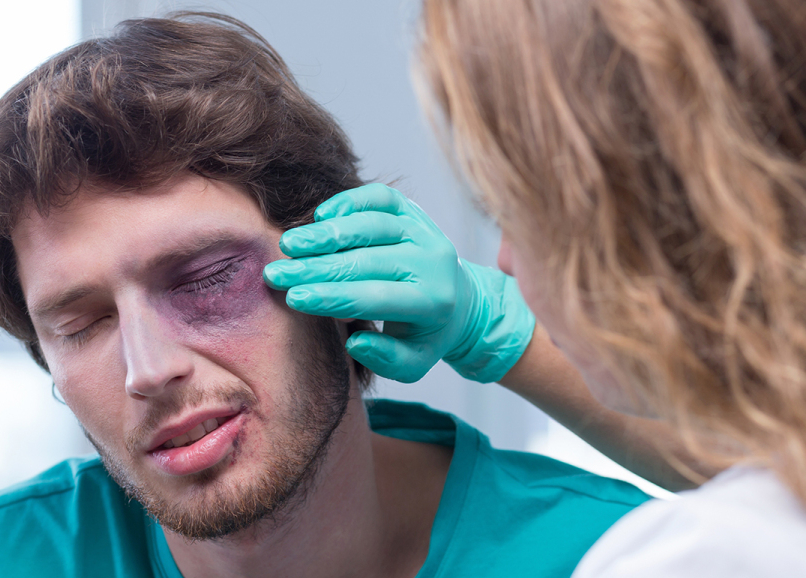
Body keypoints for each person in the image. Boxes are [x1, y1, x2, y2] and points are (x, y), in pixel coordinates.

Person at [0, 12, 665, 578]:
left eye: (204, 278)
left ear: (344, 269)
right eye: (82, 324)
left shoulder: (609, 558)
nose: (148, 370)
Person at [270, 0, 806, 575]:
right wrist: (490, 328)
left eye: (515, 208)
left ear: (650, 200)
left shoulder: (692, 557)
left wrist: (493, 324)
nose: (504, 262)